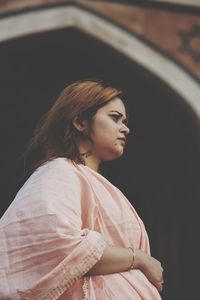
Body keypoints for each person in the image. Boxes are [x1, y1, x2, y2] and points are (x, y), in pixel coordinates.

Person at [0, 79, 163, 299]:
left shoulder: (100, 185)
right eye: (115, 118)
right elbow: (55, 242)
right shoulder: (60, 173)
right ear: (80, 122)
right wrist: (140, 259)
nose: (125, 128)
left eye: (125, 121)